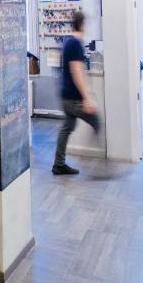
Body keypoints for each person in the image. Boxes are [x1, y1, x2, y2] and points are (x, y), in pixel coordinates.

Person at [52, 10, 100, 175]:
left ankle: (59, 164)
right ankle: (95, 165)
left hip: (66, 96)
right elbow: (77, 71)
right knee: (96, 123)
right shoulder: (76, 43)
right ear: (83, 24)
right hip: (73, 99)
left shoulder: (68, 41)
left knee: (67, 127)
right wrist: (87, 98)